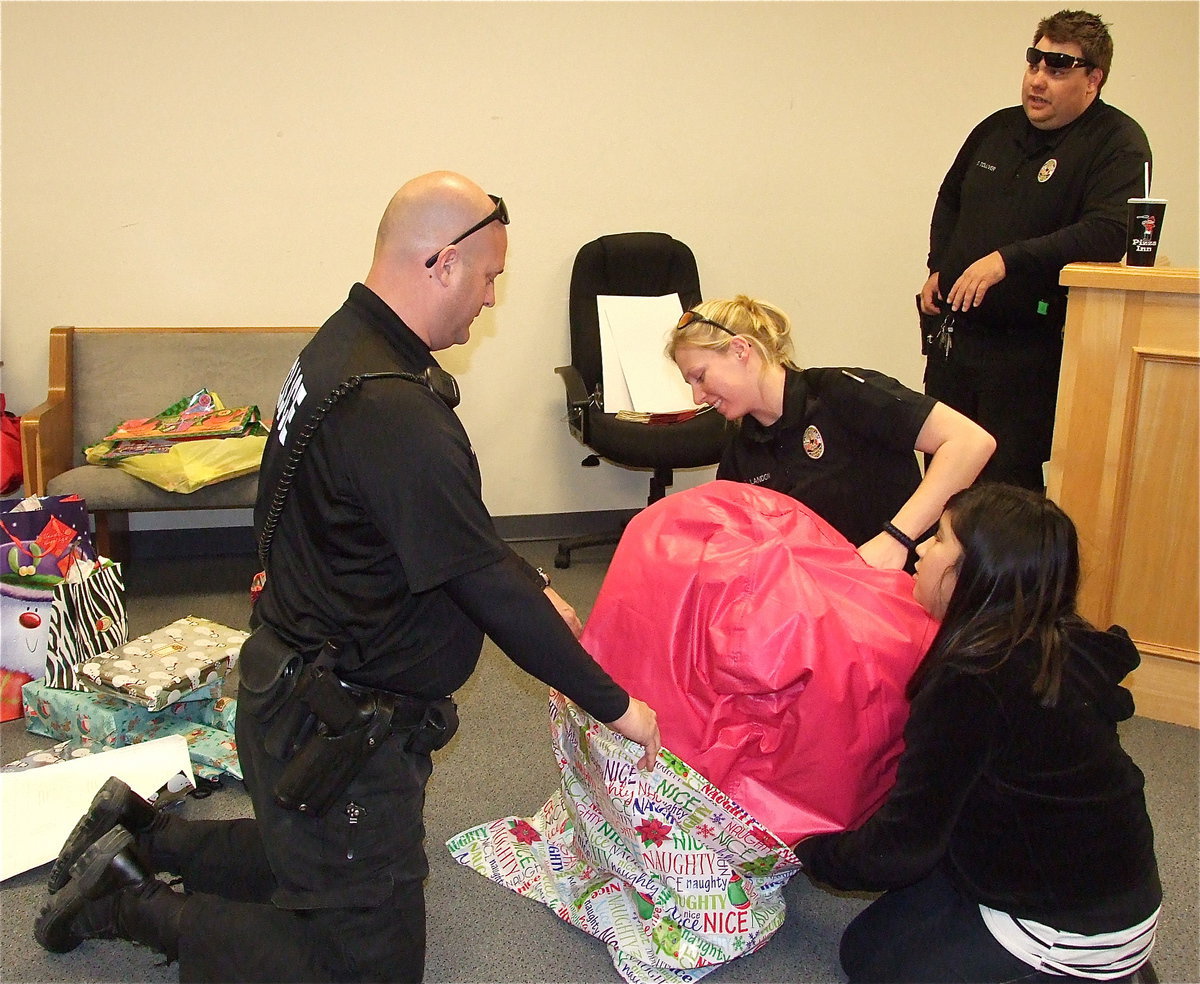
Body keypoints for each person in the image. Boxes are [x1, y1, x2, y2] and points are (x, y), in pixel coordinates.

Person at [34, 171, 660, 982]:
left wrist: (532, 584)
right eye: (490, 277)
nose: (492, 300)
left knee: (316, 863)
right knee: (365, 970)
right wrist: (618, 707)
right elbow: (480, 577)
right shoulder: (392, 409)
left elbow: (439, 526)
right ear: (441, 262)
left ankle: (148, 835)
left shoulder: (344, 347)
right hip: (334, 731)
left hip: (301, 699)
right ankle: (122, 900)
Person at [794, 483, 1161, 983]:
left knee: (873, 964)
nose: (921, 549)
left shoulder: (975, 680)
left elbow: (903, 847)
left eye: (941, 539)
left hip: (1074, 926)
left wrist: (811, 852)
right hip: (1101, 884)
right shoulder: (1041, 639)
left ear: (978, 573)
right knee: (872, 939)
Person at [918, 10, 1152, 492]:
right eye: (1034, 63)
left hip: (1032, 351)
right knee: (942, 481)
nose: (1038, 80)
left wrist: (1008, 260)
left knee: (1004, 495)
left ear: (1094, 80)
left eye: (1058, 68)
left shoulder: (1117, 142)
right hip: (957, 340)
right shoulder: (997, 129)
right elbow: (951, 198)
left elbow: (1112, 231)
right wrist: (939, 266)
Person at [667, 295, 995, 571]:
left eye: (701, 377)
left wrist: (897, 538)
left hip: (899, 595)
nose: (698, 398)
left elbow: (970, 442)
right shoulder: (741, 452)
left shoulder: (841, 392)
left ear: (741, 350)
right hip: (822, 610)